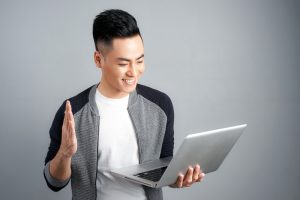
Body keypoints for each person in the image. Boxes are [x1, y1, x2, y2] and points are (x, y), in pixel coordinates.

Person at [43, 9, 205, 200]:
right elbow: (54, 183)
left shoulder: (160, 105)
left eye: (140, 61)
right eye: (123, 64)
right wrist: (65, 153)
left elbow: (163, 168)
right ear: (98, 59)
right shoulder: (72, 111)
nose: (134, 72)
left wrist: (177, 179)